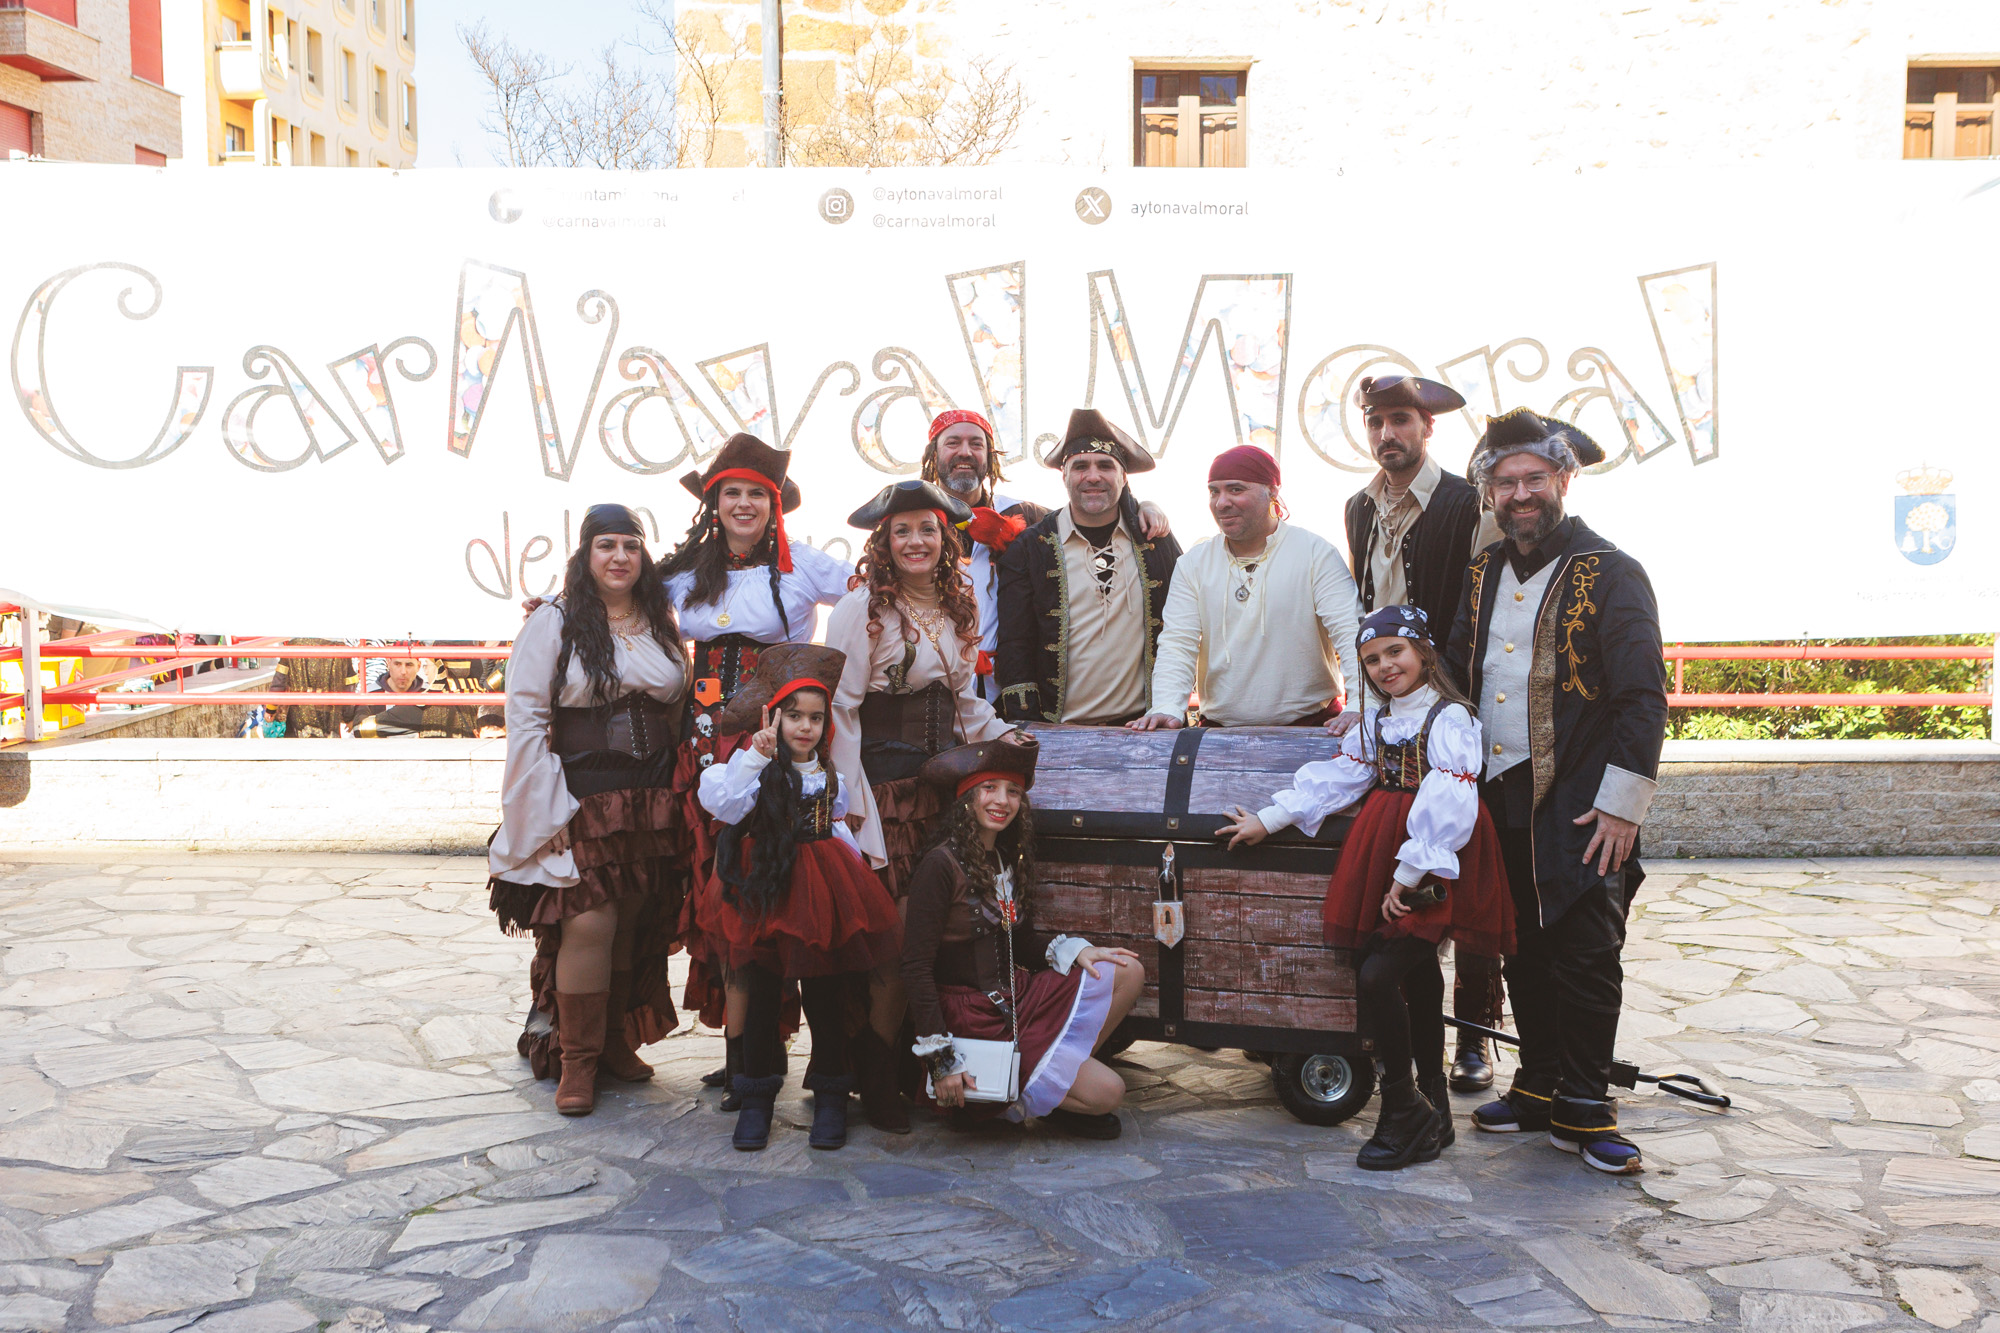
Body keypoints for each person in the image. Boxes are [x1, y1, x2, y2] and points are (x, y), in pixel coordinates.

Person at [1444, 408, 1668, 1176]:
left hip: (1584, 800)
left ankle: (1586, 1103)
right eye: (1506, 482)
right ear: (1490, 492)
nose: (1520, 494)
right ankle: (1538, 1084)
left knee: (1587, 953)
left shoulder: (1613, 571)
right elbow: (1459, 673)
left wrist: (1622, 806)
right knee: (1522, 947)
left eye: (1534, 478)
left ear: (1563, 480)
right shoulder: (1482, 572)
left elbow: (1643, 697)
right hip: (1499, 793)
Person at [1217, 605, 1514, 1170]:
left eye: (1395, 652)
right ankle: (1434, 1108)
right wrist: (1270, 819)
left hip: (1434, 856)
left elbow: (1451, 801)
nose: (1384, 667)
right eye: (1371, 660)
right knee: (1417, 974)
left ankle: (1403, 1108)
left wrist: (1407, 876)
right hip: (1385, 845)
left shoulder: (1450, 717)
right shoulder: (1376, 721)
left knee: (1379, 973)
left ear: (1423, 652)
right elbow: (1343, 778)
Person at [659, 434, 852, 1111]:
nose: (743, 504)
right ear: (714, 503)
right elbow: (612, 592)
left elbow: (870, 587)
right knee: (718, 889)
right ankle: (741, 1055)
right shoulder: (685, 571)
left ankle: (765, 1054)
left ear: (774, 505)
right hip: (705, 745)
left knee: (774, 884)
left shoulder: (805, 567)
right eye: (731, 493)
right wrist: (550, 603)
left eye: (756, 494)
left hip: (775, 742)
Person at [824, 478, 1018, 1130]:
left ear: (945, 539)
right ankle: (871, 1071)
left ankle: (904, 1069)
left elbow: (963, 704)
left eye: (927, 530)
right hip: (884, 792)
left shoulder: (957, 603)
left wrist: (1002, 735)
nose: (915, 541)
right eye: (901, 530)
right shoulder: (861, 609)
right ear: (884, 541)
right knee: (896, 936)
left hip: (941, 794)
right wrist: (850, 803)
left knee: (930, 934)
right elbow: (841, 709)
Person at [486, 504, 689, 1117]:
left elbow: (675, 705)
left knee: (631, 921)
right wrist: (541, 811)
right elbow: (526, 717)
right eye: (607, 545)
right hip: (582, 792)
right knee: (588, 922)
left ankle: (614, 1042)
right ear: (585, 553)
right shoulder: (555, 619)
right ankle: (576, 1060)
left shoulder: (658, 618)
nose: (620, 557)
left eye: (631, 545)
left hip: (650, 794)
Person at [1343, 374, 1506, 1092]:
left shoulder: (1468, 503)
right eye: (1377, 421)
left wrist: (1453, 696)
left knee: (1462, 877)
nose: (1388, 434)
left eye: (1401, 420)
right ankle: (1404, 1036)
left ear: (1427, 427)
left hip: (1453, 705)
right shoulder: (1359, 507)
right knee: (1400, 884)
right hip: (1391, 706)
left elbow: (1489, 596)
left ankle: (1473, 1036)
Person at [693, 647, 902, 1152]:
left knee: (826, 997)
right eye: (794, 716)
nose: (805, 727)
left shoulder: (832, 778)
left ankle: (831, 1095)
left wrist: (849, 889)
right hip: (765, 886)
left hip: (819, 888)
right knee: (762, 997)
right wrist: (756, 754)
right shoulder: (749, 767)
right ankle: (756, 1099)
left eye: (815, 717)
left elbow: (836, 826)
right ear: (774, 717)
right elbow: (722, 804)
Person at [902, 733, 1144, 1139]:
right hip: (971, 1018)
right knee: (1109, 1092)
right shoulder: (939, 865)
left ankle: (1045, 1088)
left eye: (1013, 791)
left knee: (1126, 971)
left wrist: (1077, 951)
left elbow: (1024, 943)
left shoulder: (1002, 858)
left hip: (1017, 998)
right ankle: (1019, 1096)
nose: (1002, 800)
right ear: (967, 797)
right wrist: (940, 1059)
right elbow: (915, 967)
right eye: (989, 788)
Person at [925, 408, 1173, 704]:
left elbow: (1089, 510)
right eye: (953, 443)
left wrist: (1142, 507)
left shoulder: (1023, 515)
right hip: (927, 687)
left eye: (976, 444)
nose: (965, 452)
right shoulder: (908, 522)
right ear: (934, 454)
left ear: (990, 456)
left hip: (997, 694)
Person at [1133, 445, 1360, 730]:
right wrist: (1167, 706)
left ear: (1272, 492)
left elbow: (1350, 632)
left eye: (1236, 489)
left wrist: (1361, 703)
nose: (1221, 503)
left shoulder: (1315, 553)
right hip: (1219, 732)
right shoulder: (1194, 563)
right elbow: (1178, 643)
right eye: (1214, 491)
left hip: (1312, 729)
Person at [995, 409, 1182, 725]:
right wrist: (1027, 724)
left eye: (1105, 466)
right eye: (1080, 466)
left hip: (1143, 727)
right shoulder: (1030, 547)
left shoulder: (1153, 539)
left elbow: (1183, 627)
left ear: (1124, 477)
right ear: (1064, 476)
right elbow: (1015, 643)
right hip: (1059, 728)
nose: (1093, 476)